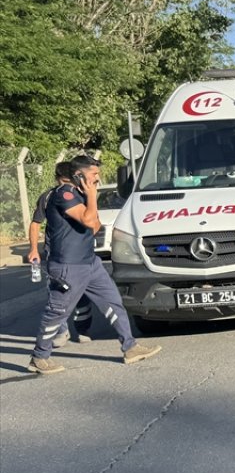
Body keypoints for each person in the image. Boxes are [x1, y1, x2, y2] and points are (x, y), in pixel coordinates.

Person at [28, 156, 161, 374]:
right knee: (57, 311)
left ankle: (130, 347)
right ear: (79, 175)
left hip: (90, 263)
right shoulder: (65, 194)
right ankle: (39, 357)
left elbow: (94, 225)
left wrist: (90, 199)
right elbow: (90, 221)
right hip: (68, 266)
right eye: (94, 175)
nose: (97, 179)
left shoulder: (80, 195)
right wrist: (91, 196)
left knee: (113, 301)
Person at [27, 182, 93, 345]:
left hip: (78, 254)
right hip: (55, 254)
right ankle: (61, 331)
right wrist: (34, 249)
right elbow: (36, 223)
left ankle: (82, 329)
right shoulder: (48, 197)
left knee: (81, 293)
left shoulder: (82, 195)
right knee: (57, 293)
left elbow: (91, 220)